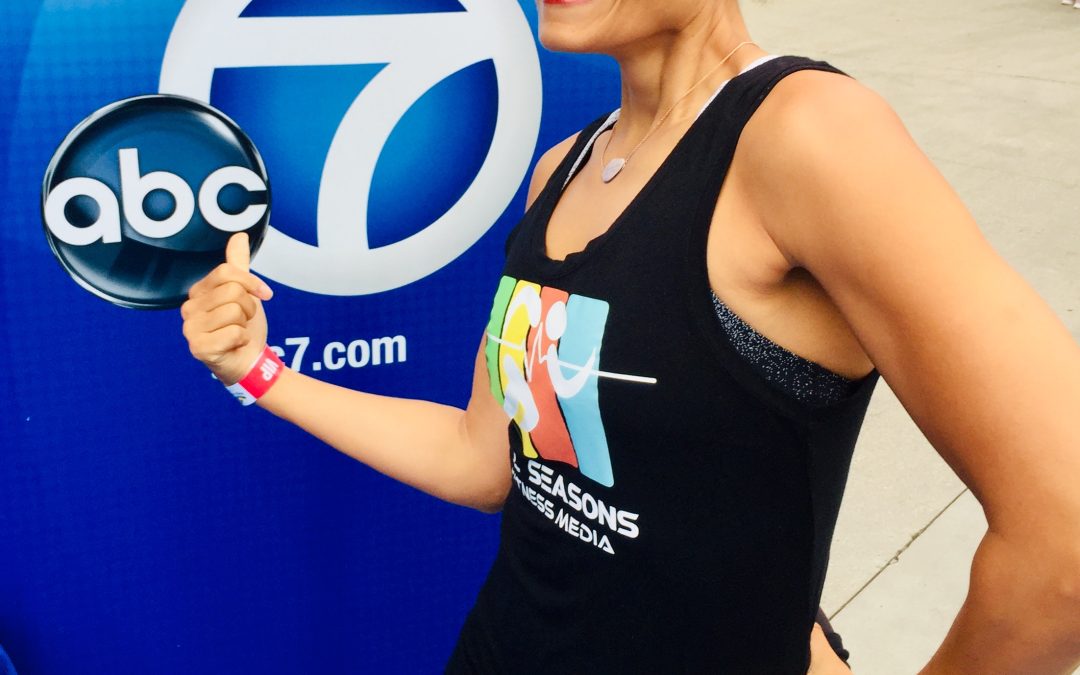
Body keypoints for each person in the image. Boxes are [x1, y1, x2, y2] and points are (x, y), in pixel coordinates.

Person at [180, 1, 1080, 672]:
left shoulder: (809, 135)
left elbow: (1064, 541)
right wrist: (257, 369)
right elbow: (482, 460)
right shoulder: (559, 170)